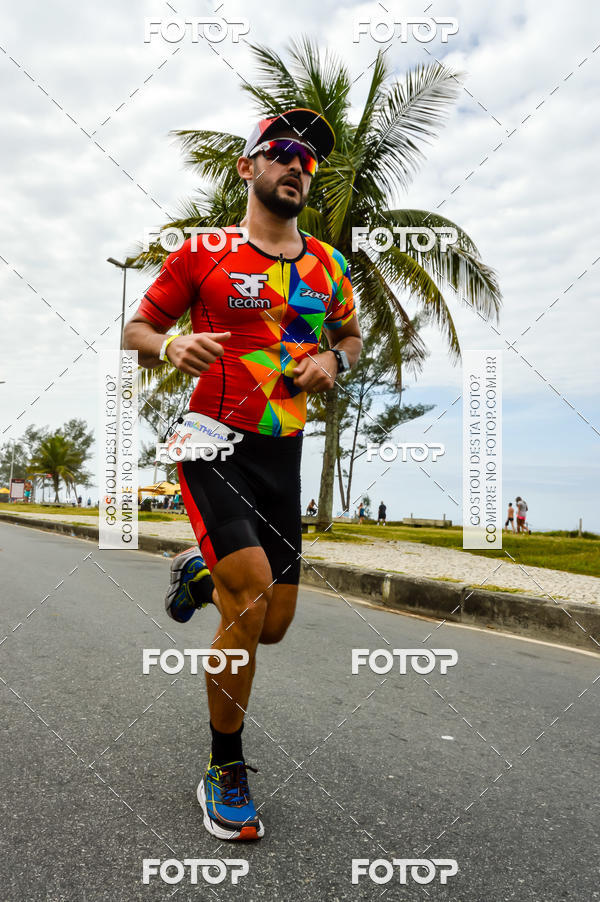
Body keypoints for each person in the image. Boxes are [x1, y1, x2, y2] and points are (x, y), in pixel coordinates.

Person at [124, 107, 362, 842]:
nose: (298, 165)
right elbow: (137, 330)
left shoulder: (327, 264)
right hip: (210, 443)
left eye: (310, 160)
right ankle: (223, 768)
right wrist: (169, 348)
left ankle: (199, 570)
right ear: (248, 167)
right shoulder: (203, 253)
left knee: (276, 626)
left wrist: (333, 359)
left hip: (281, 455)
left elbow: (351, 335)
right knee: (251, 602)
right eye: (283, 151)